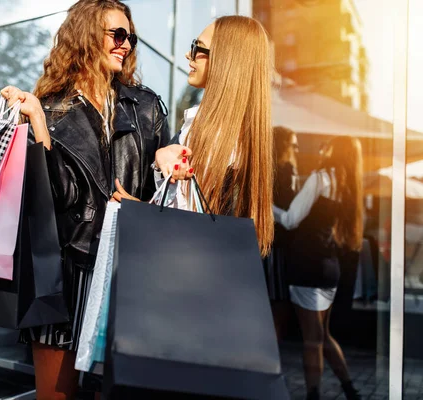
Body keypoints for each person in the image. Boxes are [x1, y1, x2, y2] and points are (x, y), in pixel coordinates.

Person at [0, 1, 169, 398]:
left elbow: (163, 198)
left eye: (131, 37)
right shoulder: (49, 108)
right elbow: (53, 202)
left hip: (123, 270)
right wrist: (38, 126)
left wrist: (149, 200)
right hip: (61, 272)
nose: (126, 45)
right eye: (118, 34)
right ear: (86, 36)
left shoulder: (146, 108)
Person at [154, 15, 274, 257]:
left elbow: (185, 218)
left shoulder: (217, 135)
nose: (189, 55)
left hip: (189, 268)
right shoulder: (239, 134)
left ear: (225, 59)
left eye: (197, 48)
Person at [274, 136, 363, 400]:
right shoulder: (347, 185)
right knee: (323, 335)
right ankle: (350, 390)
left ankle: (313, 395)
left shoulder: (321, 178)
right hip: (330, 268)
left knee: (312, 340)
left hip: (307, 268)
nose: (323, 147)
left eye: (328, 144)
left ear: (335, 150)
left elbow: (290, 219)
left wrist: (264, 206)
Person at [264, 126, 300, 340]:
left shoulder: (287, 169)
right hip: (274, 241)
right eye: (292, 144)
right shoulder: (280, 169)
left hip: (280, 242)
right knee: (276, 300)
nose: (296, 149)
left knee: (277, 299)